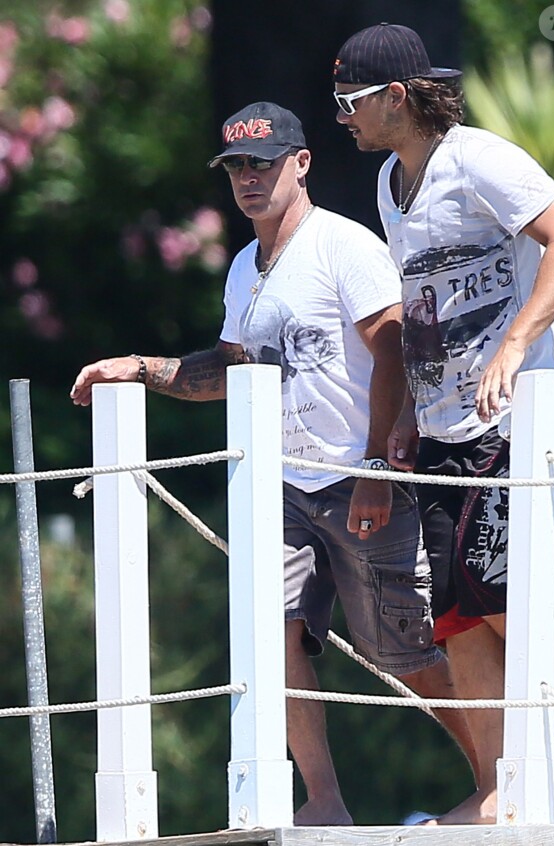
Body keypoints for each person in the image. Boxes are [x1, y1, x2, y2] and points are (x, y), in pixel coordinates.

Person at [71, 101, 478, 826]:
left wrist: (376, 472)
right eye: (235, 168)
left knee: (403, 651)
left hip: (358, 479)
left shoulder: (343, 247)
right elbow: (229, 368)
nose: (248, 179)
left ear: (302, 163)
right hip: (281, 486)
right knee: (271, 634)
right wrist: (135, 366)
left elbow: (397, 352)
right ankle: (322, 801)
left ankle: (494, 780)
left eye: (262, 163)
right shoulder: (242, 269)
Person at [333, 22, 554, 825]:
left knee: (505, 597)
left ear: (397, 98)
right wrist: (405, 415)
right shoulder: (389, 186)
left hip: (520, 416)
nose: (343, 117)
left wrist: (516, 345)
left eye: (351, 101)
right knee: (459, 616)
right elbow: (423, 312)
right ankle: (497, 786)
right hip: (445, 430)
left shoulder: (480, 159)